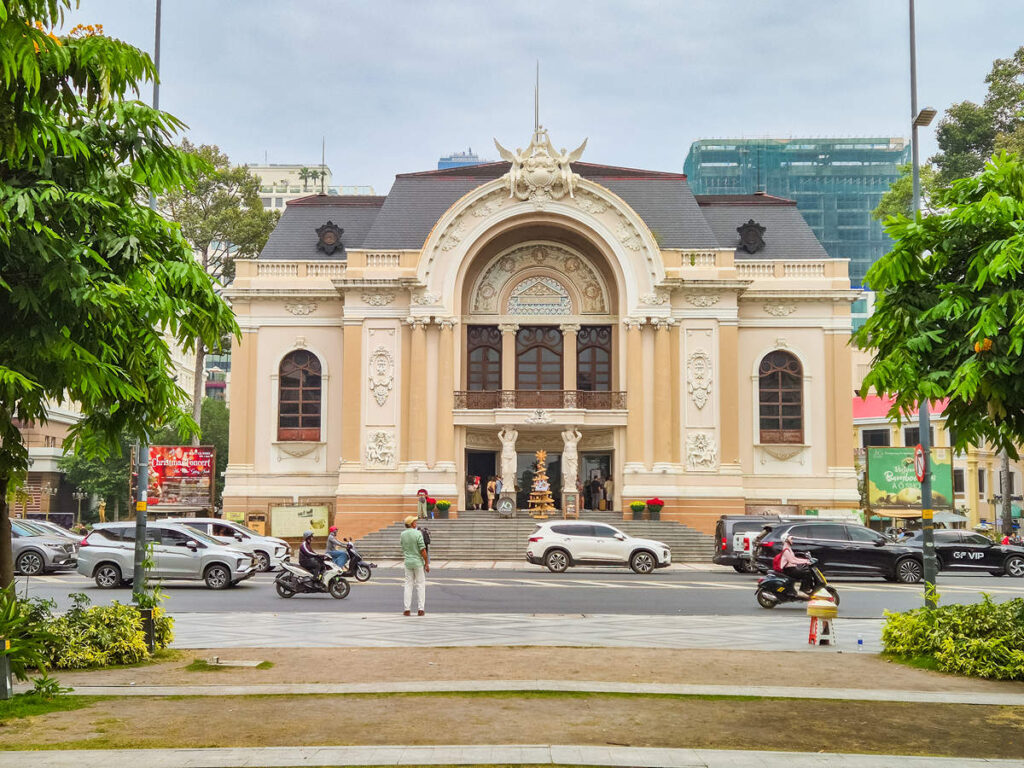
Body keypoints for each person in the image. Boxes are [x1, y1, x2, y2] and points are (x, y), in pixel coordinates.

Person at [400, 515, 429, 616]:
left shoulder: (402, 534)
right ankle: (421, 609)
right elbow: (422, 549)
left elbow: (403, 547)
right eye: (415, 521)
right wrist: (426, 562)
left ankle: (407, 609)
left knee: (408, 585)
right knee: (420, 585)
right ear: (412, 524)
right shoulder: (417, 533)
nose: (416, 523)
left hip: (408, 562)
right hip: (418, 563)